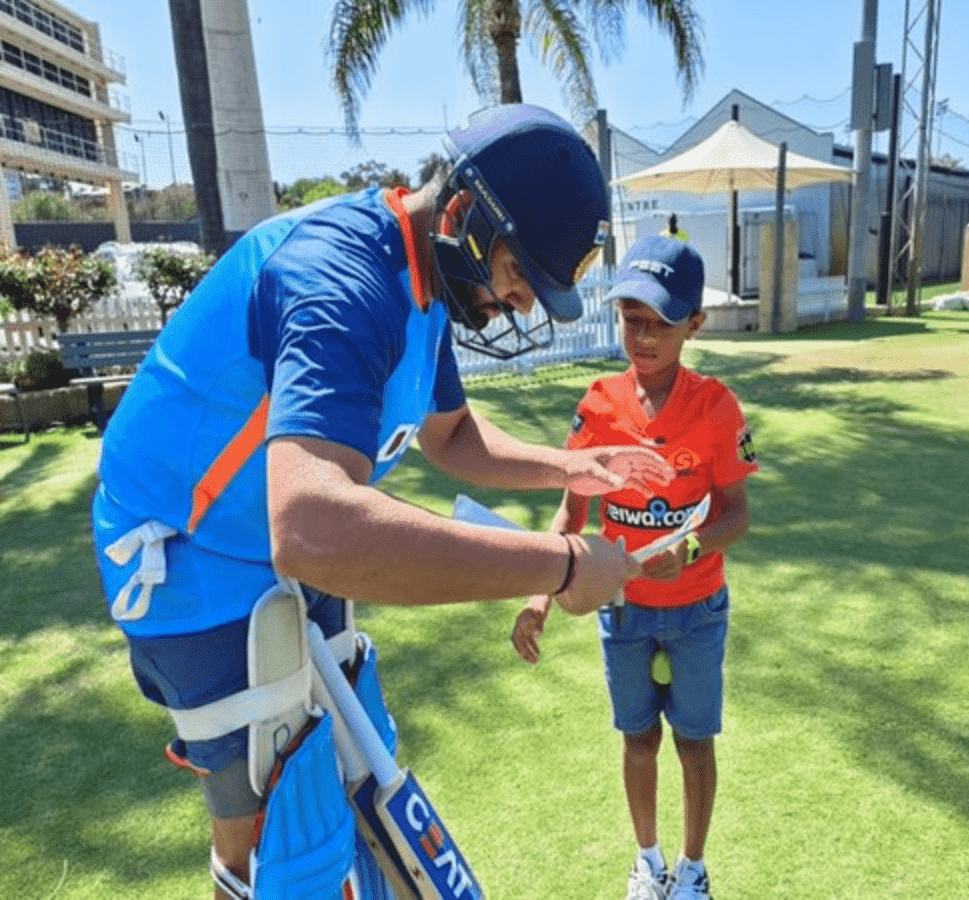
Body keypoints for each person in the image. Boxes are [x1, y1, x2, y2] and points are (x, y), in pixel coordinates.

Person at [90, 103, 675, 900]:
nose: (522, 304)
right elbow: (313, 527)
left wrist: (571, 468)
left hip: (268, 532)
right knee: (278, 830)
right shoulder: (344, 279)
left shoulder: (425, 277)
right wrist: (566, 563)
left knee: (360, 767)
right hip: (184, 546)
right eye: (517, 273)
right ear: (463, 214)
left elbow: (452, 437)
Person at [511, 235, 758, 900]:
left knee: (694, 742)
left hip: (698, 610)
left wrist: (695, 550)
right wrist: (539, 598)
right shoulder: (597, 406)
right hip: (622, 613)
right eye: (630, 319)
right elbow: (571, 519)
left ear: (694, 326)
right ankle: (648, 863)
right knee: (639, 739)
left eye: (660, 324)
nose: (642, 337)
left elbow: (738, 513)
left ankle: (693, 870)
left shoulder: (717, 408)